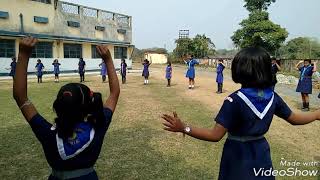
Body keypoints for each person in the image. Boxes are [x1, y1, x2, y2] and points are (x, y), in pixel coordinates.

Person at [161, 47, 320, 180]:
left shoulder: (234, 100)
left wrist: (184, 128)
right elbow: (294, 118)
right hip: (261, 152)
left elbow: (215, 135)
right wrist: (316, 115)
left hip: (237, 154)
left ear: (240, 70)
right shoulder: (272, 97)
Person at [13, 37, 120, 180]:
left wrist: (23, 55)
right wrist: (108, 59)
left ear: (58, 107)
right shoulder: (97, 127)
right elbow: (114, 93)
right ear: (88, 107)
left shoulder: (48, 133)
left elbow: (21, 97)